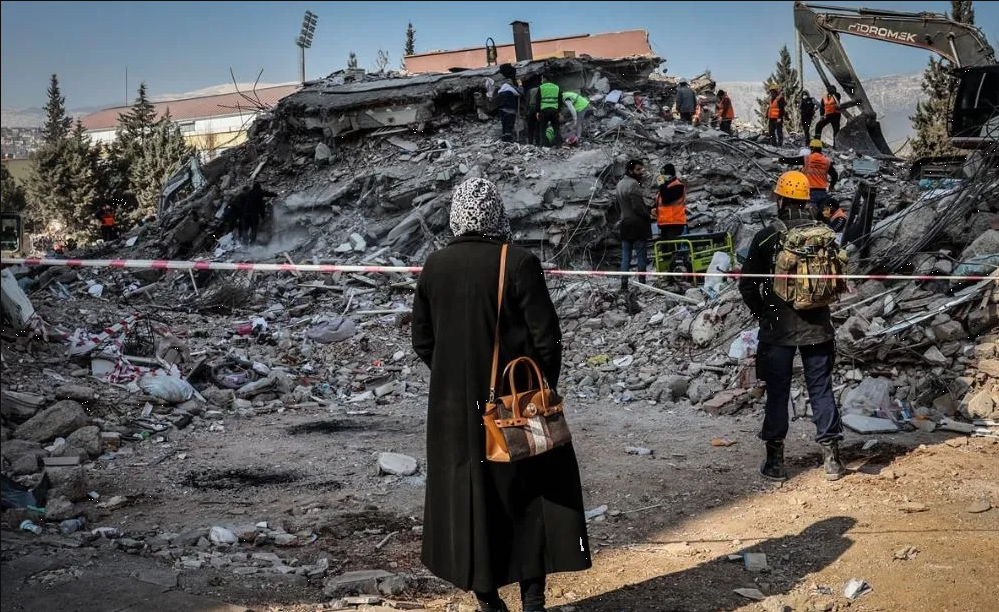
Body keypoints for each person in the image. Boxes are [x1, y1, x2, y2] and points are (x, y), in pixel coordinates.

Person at [411, 177, 592, 612]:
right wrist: (533, 391)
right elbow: (546, 340)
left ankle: (488, 601)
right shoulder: (519, 262)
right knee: (531, 501)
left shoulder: (434, 267)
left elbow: (423, 341)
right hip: (514, 411)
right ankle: (532, 600)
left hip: (452, 414)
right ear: (497, 213)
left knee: (467, 505)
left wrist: (455, 379)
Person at [738, 170, 846, 483]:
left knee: (777, 393)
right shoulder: (823, 234)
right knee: (821, 388)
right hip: (818, 326)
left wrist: (762, 314)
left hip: (777, 329)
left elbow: (747, 286)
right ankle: (832, 460)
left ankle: (775, 463)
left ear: (782, 199)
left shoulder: (768, 235)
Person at [616, 159, 652, 293]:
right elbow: (637, 206)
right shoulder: (633, 184)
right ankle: (642, 283)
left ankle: (624, 285)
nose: (641, 172)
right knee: (641, 255)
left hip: (624, 223)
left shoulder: (619, 184)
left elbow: (617, 205)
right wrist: (647, 214)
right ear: (630, 171)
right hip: (637, 224)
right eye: (638, 169)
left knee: (626, 256)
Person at [775, 139, 838, 205]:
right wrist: (832, 185)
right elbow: (835, 175)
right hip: (822, 192)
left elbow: (793, 160)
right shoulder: (827, 161)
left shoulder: (807, 158)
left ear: (812, 148)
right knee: (820, 212)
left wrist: (779, 159)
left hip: (810, 191)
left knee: (809, 212)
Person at [655, 163, 687, 240]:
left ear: (670, 175)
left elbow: (666, 199)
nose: (662, 177)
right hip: (665, 223)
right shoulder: (666, 186)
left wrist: (661, 185)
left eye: (664, 174)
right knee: (665, 249)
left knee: (673, 248)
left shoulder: (678, 186)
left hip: (675, 223)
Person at [537, 76, 562, 148]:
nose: (542, 81)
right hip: (554, 110)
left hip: (544, 110)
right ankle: (558, 145)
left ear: (545, 79)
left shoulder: (541, 87)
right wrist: (559, 111)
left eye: (542, 79)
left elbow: (538, 100)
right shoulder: (557, 87)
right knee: (556, 128)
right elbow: (560, 101)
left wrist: (538, 111)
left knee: (543, 129)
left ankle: (544, 145)